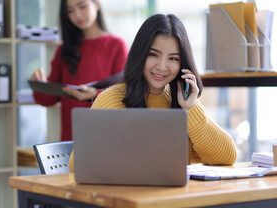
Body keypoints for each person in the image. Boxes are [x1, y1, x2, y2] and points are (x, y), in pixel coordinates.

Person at [69, 14, 237, 171]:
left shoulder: (183, 101)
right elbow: (77, 166)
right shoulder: (112, 99)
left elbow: (227, 156)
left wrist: (190, 108)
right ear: (140, 54)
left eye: (173, 58)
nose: (162, 66)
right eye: (153, 55)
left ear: (183, 65)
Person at [31, 0, 129, 141]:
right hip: (71, 138)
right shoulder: (64, 50)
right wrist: (40, 85)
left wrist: (93, 95)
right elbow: (49, 99)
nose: (77, 15)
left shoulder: (116, 45)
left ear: (96, 4)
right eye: (70, 11)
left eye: (82, 7)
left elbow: (123, 95)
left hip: (106, 136)